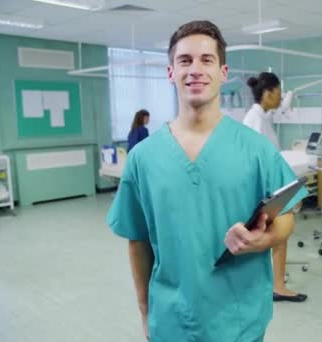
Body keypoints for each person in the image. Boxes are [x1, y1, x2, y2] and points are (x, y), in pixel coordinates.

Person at [106, 20, 307, 341]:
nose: (195, 69)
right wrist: (145, 311)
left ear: (223, 72)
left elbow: (286, 216)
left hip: (240, 319)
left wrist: (264, 240)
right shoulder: (143, 158)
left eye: (206, 60)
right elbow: (137, 241)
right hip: (172, 319)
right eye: (184, 60)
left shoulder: (256, 149)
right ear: (170, 72)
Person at [243, 72, 308, 303]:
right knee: (278, 234)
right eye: (278, 95)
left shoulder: (262, 117)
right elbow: (251, 160)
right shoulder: (254, 120)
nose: (280, 100)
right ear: (268, 93)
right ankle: (277, 286)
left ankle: (277, 284)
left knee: (279, 235)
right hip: (262, 190)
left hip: (270, 186)